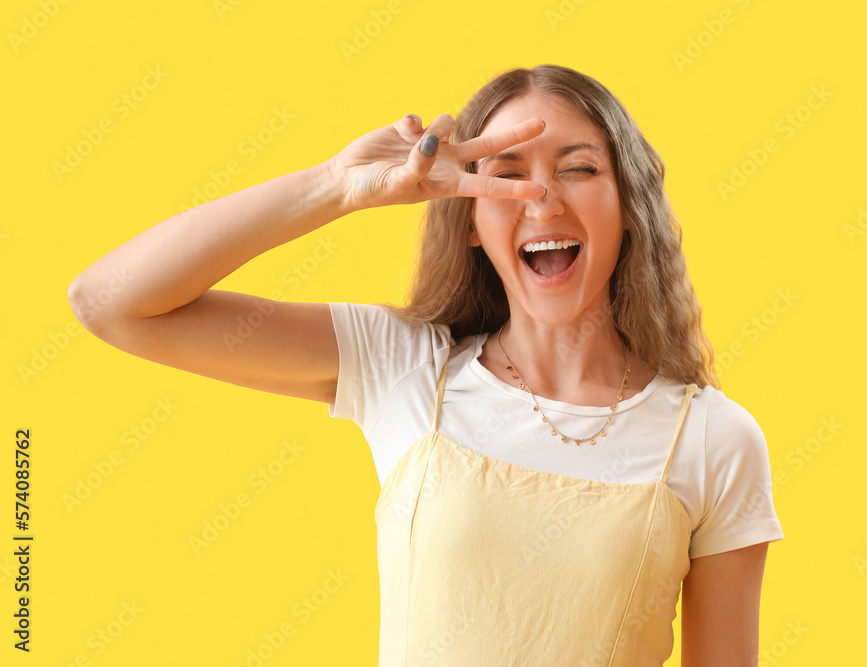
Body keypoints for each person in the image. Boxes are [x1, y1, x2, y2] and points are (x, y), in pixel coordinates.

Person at [69, 64, 783, 665]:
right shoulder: (405, 368)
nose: (541, 196)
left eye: (581, 168)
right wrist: (338, 186)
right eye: (506, 173)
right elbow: (111, 302)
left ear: (628, 206)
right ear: (471, 221)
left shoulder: (713, 440)